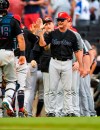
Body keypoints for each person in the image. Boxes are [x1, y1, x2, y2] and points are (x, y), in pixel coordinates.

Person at [37, 12, 84, 116]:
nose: (60, 22)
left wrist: (81, 65)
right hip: (54, 62)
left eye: (62, 20)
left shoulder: (72, 35)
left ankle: (69, 111)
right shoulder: (53, 33)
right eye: (58, 20)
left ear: (67, 21)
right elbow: (43, 44)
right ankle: (51, 111)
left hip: (67, 62)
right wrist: (40, 33)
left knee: (68, 89)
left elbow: (77, 51)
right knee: (52, 88)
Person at [0, 0, 26, 116]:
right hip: (7, 53)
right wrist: (22, 55)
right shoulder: (13, 20)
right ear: (8, 8)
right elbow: (20, 39)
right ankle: (8, 98)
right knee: (11, 81)